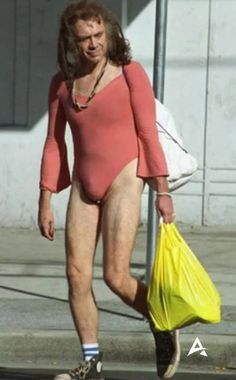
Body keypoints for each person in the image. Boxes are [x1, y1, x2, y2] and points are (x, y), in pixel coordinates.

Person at [38, 1, 180, 379]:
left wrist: (162, 192)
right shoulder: (62, 85)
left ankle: (163, 322)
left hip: (124, 178)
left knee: (116, 276)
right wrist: (45, 199)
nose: (93, 44)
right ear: (71, 40)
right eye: (84, 38)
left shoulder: (130, 73)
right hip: (84, 186)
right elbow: (55, 144)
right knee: (75, 273)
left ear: (109, 31)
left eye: (99, 35)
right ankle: (91, 361)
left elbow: (148, 134)